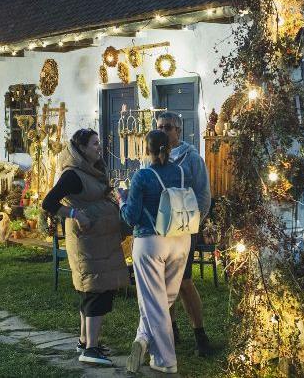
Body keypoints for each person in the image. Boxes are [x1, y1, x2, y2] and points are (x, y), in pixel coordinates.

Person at [41, 128, 128, 367]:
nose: (98, 147)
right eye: (94, 144)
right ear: (81, 149)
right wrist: (74, 213)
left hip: (99, 240)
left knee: (92, 289)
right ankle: (90, 348)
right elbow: (48, 202)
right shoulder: (73, 175)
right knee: (95, 291)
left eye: (99, 143)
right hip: (87, 241)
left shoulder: (92, 171)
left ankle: (85, 341)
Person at [119, 130, 193, 374]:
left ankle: (165, 361)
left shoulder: (142, 176)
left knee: (154, 303)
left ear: (146, 150)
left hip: (151, 241)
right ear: (169, 147)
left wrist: (121, 200)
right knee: (164, 300)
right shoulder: (182, 172)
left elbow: (131, 217)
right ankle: (142, 338)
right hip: (181, 239)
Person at [156, 112, 213, 356]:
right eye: (159, 127)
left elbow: (203, 194)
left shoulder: (192, 159)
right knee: (163, 283)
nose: (164, 131)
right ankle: (172, 330)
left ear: (178, 131)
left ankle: (200, 334)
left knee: (184, 283)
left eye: (168, 127)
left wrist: (193, 223)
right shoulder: (154, 158)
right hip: (160, 231)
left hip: (184, 230)